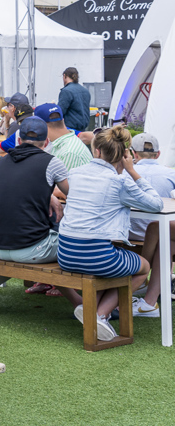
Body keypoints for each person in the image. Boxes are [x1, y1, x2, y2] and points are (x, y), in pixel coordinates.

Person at [58, 126, 162, 339]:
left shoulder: (75, 173)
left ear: (96, 151)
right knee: (143, 268)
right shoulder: (120, 180)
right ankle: (100, 314)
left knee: (113, 260)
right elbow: (156, 203)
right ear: (124, 154)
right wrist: (132, 171)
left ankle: (90, 309)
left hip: (65, 253)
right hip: (97, 255)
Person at [0, 117, 70, 267]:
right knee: (78, 244)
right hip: (33, 248)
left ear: (19, 140)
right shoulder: (51, 162)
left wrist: (49, 196)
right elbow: (73, 194)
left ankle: (61, 290)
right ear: (46, 142)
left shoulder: (2, 162)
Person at [129, 133, 175, 316]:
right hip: (156, 234)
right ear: (158, 154)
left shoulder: (123, 173)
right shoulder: (170, 173)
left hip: (127, 236)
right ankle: (149, 298)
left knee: (163, 234)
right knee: (166, 237)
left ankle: (146, 294)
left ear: (134, 153)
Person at [39, 103, 92, 171]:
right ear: (63, 120)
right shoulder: (65, 143)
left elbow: (60, 181)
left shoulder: (68, 153)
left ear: (41, 126)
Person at [58, 67, 91, 131]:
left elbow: (60, 112)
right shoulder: (85, 91)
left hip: (70, 130)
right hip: (83, 129)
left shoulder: (66, 91)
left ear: (65, 76)